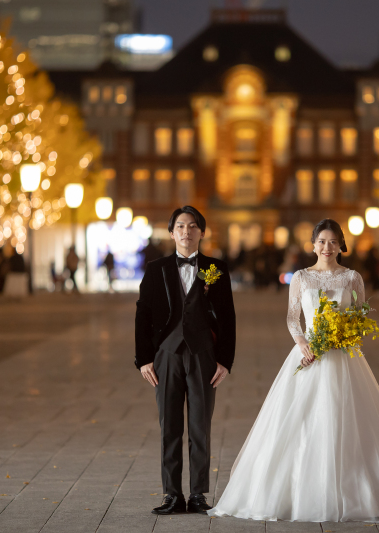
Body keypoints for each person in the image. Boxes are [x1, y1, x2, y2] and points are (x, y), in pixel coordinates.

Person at [209, 219, 379, 523]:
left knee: (349, 420)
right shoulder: (301, 278)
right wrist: (303, 343)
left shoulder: (353, 278)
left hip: (343, 357)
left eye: (332, 242)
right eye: (321, 242)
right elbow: (292, 318)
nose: (327, 248)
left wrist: (342, 337)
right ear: (313, 244)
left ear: (342, 244)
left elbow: (359, 316)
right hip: (307, 356)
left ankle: (355, 490)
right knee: (297, 421)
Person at [135, 206, 236, 516]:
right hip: (165, 356)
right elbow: (144, 315)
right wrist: (144, 359)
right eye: (180, 226)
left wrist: (225, 361)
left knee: (200, 427)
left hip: (203, 356)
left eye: (193, 226)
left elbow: (228, 318)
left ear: (202, 233)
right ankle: (171, 494)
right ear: (171, 232)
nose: (186, 231)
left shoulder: (216, 268)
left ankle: (198, 494)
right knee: (169, 426)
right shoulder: (156, 269)